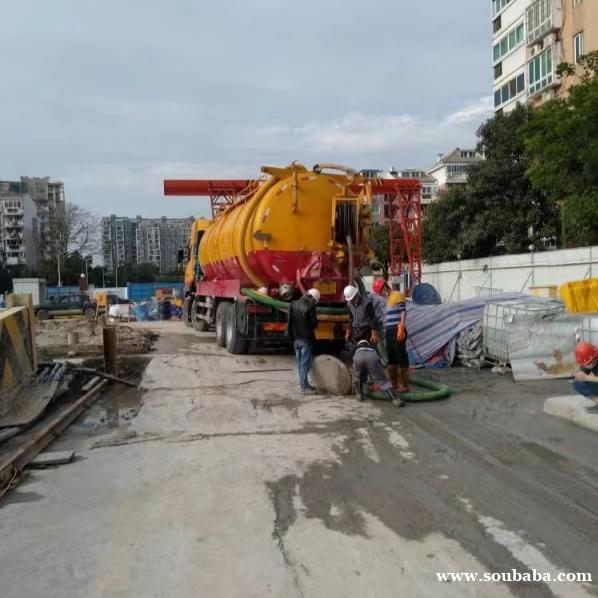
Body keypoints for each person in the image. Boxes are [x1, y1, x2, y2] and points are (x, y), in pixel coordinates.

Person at [373, 278, 410, 392]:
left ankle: (404, 386)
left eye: (380, 291)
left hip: (398, 330)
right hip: (389, 331)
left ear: (384, 287)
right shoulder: (387, 299)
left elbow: (403, 311)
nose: (381, 294)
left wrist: (402, 326)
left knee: (401, 357)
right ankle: (394, 384)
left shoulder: (397, 295)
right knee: (391, 359)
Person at [287, 288, 321, 395]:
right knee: (305, 364)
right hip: (306, 340)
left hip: (296, 339)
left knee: (301, 364)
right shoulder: (311, 306)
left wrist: (291, 337)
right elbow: (314, 324)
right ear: (313, 299)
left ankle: (305, 384)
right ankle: (304, 387)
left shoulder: (293, 304)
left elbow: (289, 322)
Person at [353, 340, 405, 407]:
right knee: (382, 380)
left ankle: (360, 395)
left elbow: (360, 369)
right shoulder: (372, 348)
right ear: (367, 344)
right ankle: (395, 399)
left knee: (357, 376)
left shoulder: (356, 349)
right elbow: (378, 361)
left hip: (358, 357)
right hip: (372, 356)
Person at [573, 341, 598, 414]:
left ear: (594, 358)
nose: (586, 365)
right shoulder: (588, 359)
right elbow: (583, 371)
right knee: (577, 383)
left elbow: (587, 377)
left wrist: (587, 378)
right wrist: (580, 375)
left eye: (588, 363)